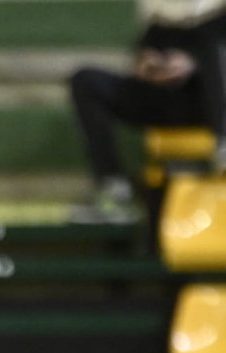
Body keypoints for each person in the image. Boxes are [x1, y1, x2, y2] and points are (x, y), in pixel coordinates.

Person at [69, 0, 226, 216]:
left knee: (214, 52)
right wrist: (148, 63)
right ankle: (113, 186)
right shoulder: (161, 18)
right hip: (167, 99)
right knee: (86, 81)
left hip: (209, 104)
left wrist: (194, 65)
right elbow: (144, 55)